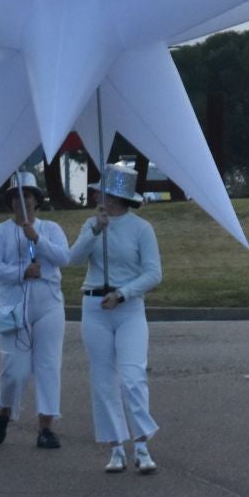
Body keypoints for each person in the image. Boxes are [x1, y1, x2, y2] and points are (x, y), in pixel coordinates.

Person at [67, 162, 163, 475]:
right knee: (103, 380)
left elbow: (153, 273)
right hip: (95, 308)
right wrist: (95, 229)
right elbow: (73, 259)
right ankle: (116, 448)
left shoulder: (141, 228)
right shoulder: (92, 224)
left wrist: (122, 293)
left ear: (116, 196)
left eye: (102, 191)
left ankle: (142, 446)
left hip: (128, 309)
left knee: (133, 377)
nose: (96, 194)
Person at [0, 172, 70, 449]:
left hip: (48, 306)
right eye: (17, 198)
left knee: (48, 366)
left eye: (28, 196)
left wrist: (37, 238)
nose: (23, 202)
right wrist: (21, 272)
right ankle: (3, 411)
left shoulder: (51, 229)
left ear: (36, 199)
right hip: (13, 309)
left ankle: (45, 427)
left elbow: (63, 257)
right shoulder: (0, 232)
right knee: (15, 370)